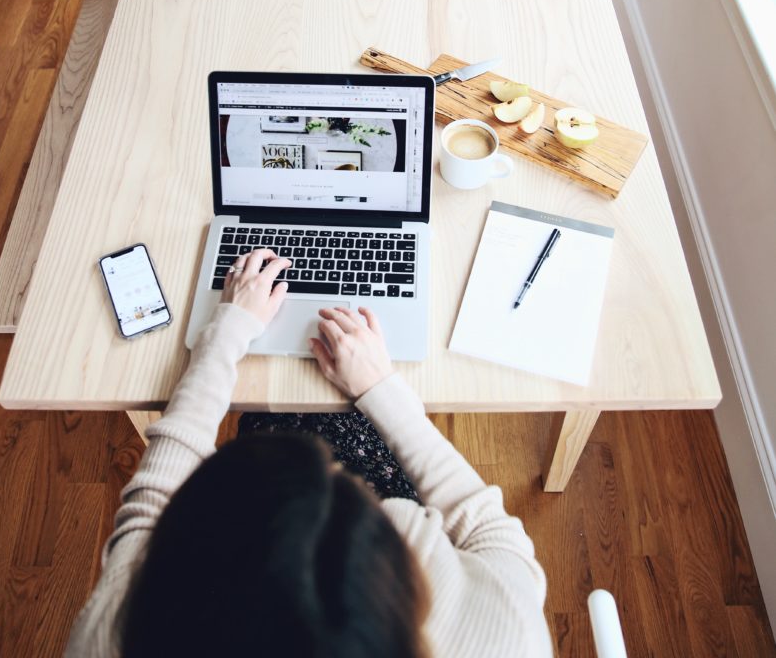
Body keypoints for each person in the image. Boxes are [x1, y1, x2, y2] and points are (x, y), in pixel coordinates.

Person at [65, 249, 552, 658]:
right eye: (353, 488)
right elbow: (485, 524)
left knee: (271, 421)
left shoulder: (115, 633)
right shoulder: (508, 634)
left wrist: (227, 332)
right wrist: (380, 387)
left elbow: (149, 506)